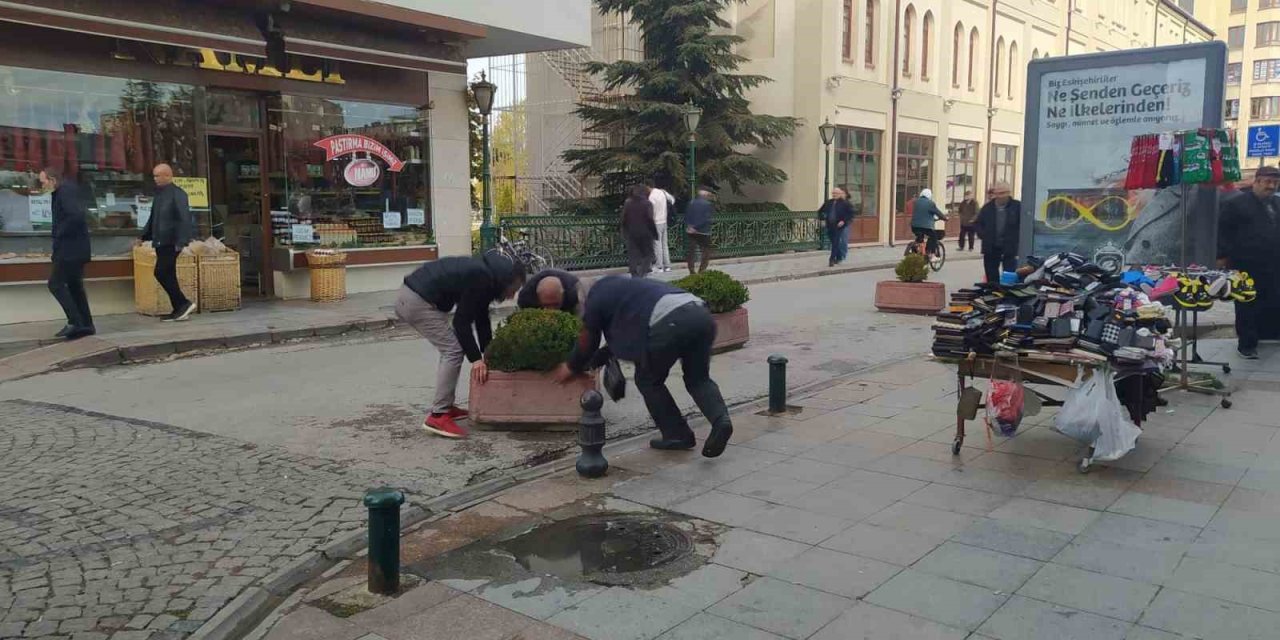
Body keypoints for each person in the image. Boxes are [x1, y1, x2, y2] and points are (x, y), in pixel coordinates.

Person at [552, 275, 734, 458]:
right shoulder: (625, 288)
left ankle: (677, 435)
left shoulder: (595, 297)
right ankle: (721, 420)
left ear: (583, 297)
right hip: (700, 314)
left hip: (670, 321)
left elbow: (588, 340)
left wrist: (570, 366)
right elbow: (630, 330)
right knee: (698, 378)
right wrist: (601, 357)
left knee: (648, 380)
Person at [396, 253, 526, 438]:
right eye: (513, 288)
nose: (513, 294)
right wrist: (476, 360)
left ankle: (446, 406)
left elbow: (481, 316)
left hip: (415, 296)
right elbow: (461, 323)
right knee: (453, 350)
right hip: (416, 301)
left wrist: (487, 352)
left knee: (452, 348)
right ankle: (438, 415)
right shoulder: (481, 277)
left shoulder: (485, 275)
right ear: (503, 280)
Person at [1218, 165, 1280, 359]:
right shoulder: (1237, 204)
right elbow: (1223, 232)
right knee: (1247, 303)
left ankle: (1268, 335)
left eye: (1275, 183)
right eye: (1268, 182)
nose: (1271, 186)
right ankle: (1246, 344)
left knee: (1272, 299)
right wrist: (1221, 257)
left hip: (1273, 263)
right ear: (1257, 181)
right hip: (1246, 264)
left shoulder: (1276, 204)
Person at [138, 163, 195, 321]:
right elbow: (153, 218)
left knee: (161, 272)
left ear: (168, 176)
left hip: (171, 240)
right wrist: (143, 236)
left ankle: (182, 303)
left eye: (158, 175)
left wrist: (181, 241)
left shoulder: (178, 194)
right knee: (168, 273)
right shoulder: (160, 194)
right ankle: (179, 308)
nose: (155, 178)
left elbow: (184, 218)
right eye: (154, 175)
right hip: (160, 240)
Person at [42, 167, 94, 339]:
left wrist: (59, 234)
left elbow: (75, 216)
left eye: (43, 182)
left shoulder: (65, 192)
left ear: (52, 179)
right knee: (74, 286)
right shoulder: (66, 190)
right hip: (74, 248)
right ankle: (86, 324)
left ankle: (75, 322)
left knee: (55, 284)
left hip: (70, 248)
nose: (43, 186)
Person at [976, 181, 1022, 284]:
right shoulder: (987, 208)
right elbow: (978, 223)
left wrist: (1017, 239)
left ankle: (1008, 295)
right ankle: (993, 294)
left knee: (1009, 275)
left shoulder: (1017, 206)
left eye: (1003, 193)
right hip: (991, 247)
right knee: (991, 276)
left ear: (1008, 193)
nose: (1000, 196)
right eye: (998, 193)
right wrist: (984, 235)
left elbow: (1023, 224)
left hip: (1010, 247)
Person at [517, 268, 588, 316]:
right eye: (546, 305)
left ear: (563, 294)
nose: (552, 310)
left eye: (556, 304)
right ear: (537, 297)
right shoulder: (526, 297)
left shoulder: (572, 293)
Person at [622, 184, 658, 278]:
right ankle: (642, 273)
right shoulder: (647, 203)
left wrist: (624, 230)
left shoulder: (628, 202)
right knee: (648, 254)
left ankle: (633, 272)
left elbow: (624, 218)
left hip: (632, 232)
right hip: (646, 232)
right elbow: (650, 219)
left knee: (633, 253)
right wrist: (654, 233)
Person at [819, 186, 856, 267]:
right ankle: (839, 256)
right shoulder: (828, 202)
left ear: (840, 194)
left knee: (835, 242)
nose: (834, 194)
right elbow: (820, 211)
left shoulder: (845, 203)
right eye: (833, 193)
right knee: (833, 241)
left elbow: (851, 214)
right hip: (829, 225)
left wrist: (843, 221)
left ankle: (831, 259)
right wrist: (822, 218)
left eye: (836, 193)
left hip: (839, 226)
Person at [685, 187, 716, 273]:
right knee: (706, 253)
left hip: (691, 231)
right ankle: (701, 271)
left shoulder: (691, 203)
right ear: (706, 195)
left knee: (691, 252)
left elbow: (687, 216)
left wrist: (690, 226)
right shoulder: (708, 204)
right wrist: (696, 227)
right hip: (704, 232)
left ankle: (691, 271)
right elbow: (706, 218)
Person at [648, 179, 676, 272]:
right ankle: (667, 265)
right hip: (664, 221)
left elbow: (650, 212)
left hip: (656, 222)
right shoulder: (662, 192)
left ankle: (659, 266)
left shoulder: (651, 197)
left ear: (648, 187)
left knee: (657, 244)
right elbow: (672, 200)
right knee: (664, 244)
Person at [910, 188, 947, 256]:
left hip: (914, 226)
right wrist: (945, 218)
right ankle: (932, 255)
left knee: (919, 236)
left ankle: (917, 247)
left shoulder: (916, 202)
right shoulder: (930, 203)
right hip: (925, 227)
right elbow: (938, 212)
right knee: (934, 236)